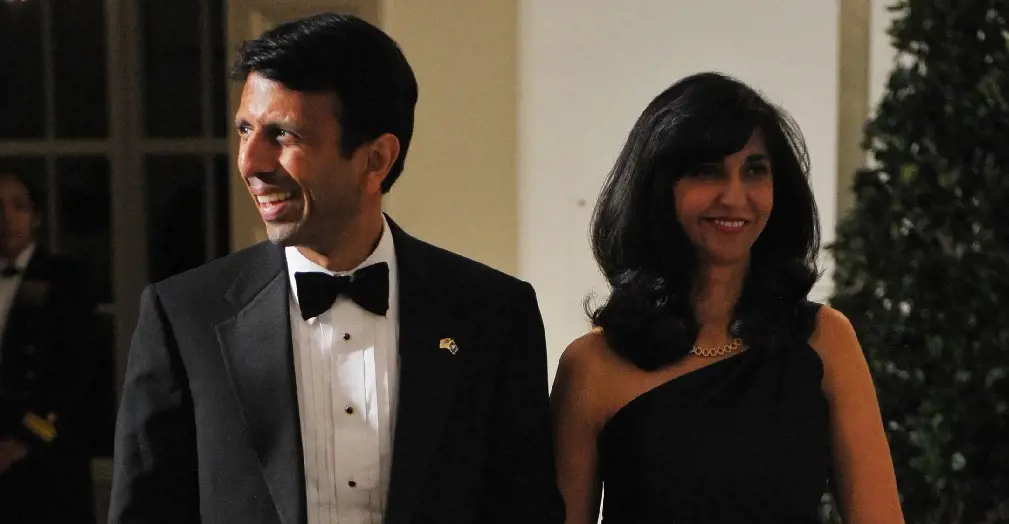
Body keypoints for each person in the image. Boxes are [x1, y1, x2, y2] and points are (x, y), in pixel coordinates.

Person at [109, 13, 563, 524]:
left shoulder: (493, 314)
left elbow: (525, 510)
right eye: (244, 129)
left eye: (282, 135)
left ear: (376, 160)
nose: (250, 162)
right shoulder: (183, 315)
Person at [551, 72, 905, 523]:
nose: (735, 196)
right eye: (708, 171)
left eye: (754, 171)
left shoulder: (825, 340)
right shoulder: (592, 366)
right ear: (658, 189)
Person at [0, 170, 98, 524]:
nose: (6, 217)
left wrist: (22, 442)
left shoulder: (66, 279)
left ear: (36, 216)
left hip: (47, 455)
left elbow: (75, 375)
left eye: (18, 206)